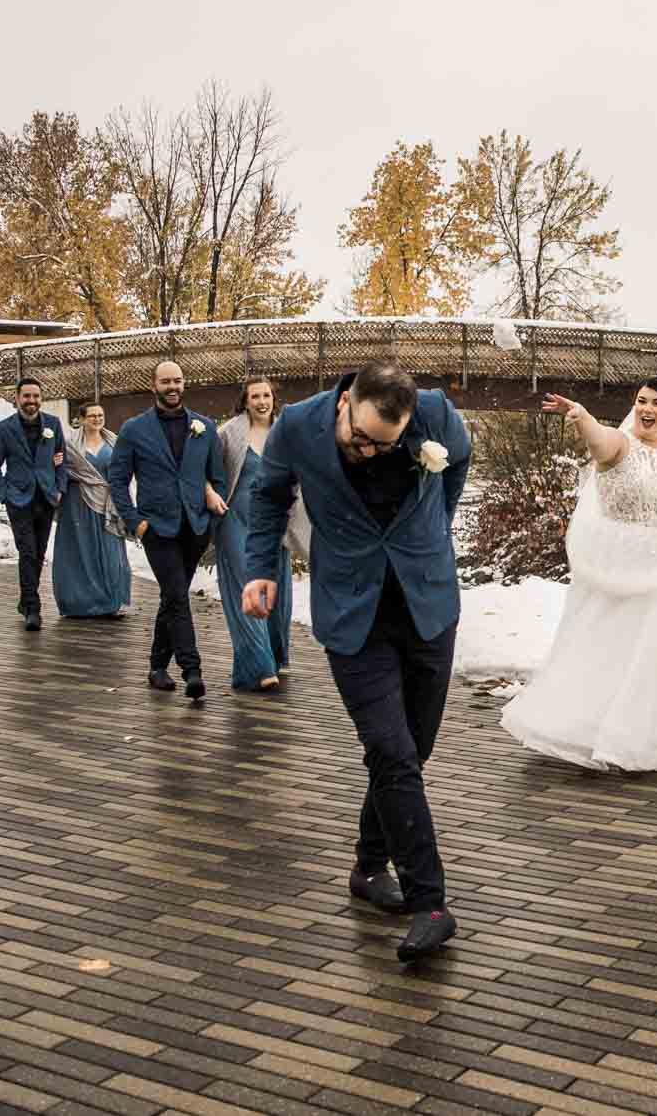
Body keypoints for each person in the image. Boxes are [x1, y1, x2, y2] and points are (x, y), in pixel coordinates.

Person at [241, 361, 471, 962]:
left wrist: (433, 529)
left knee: (411, 750)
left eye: (384, 444)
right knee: (391, 753)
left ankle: (369, 868)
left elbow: (460, 460)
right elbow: (268, 497)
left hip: (427, 603)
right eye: (361, 437)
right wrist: (261, 568)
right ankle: (432, 903)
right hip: (351, 611)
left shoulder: (437, 415)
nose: (368, 450)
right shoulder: (297, 425)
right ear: (346, 402)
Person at [499, 380, 657, 772]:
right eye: (640, 401)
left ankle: (643, 738)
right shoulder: (619, 444)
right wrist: (583, 417)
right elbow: (598, 441)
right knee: (609, 646)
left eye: (656, 403)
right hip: (617, 562)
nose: (646, 409)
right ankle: (591, 730)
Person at [107, 361, 229, 702]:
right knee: (177, 596)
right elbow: (117, 480)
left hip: (194, 528)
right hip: (157, 528)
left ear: (183, 383)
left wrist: (210, 522)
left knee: (172, 597)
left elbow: (216, 478)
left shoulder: (203, 427)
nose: (172, 386)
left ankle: (157, 666)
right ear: (154, 385)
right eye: (165, 381)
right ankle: (192, 671)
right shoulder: (134, 429)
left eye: (177, 380)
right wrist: (136, 522)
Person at [212, 379, 300, 693]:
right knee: (245, 590)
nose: (261, 401)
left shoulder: (285, 433)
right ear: (245, 402)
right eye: (255, 396)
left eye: (266, 395)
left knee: (276, 592)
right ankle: (258, 666)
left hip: (274, 525)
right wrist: (210, 493)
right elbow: (204, 469)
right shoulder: (229, 433)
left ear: (273, 399)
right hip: (236, 520)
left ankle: (273, 657)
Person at [0, 377, 69, 631]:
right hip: (18, 499)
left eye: (35, 396)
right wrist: (4, 493)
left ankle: (25, 600)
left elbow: (62, 459)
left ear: (40, 399)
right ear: (17, 399)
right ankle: (33, 608)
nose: (31, 401)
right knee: (28, 551)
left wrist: (60, 488)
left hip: (46, 497)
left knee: (39, 553)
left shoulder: (52, 425)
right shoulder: (4, 428)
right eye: (27, 396)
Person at [52, 403, 133, 618]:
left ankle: (110, 602)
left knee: (110, 550)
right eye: (92, 416)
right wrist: (55, 463)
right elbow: (59, 470)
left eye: (100, 415)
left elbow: (124, 471)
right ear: (81, 419)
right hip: (77, 505)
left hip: (108, 504)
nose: (97, 419)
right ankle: (77, 603)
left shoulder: (114, 442)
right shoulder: (69, 444)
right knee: (80, 551)